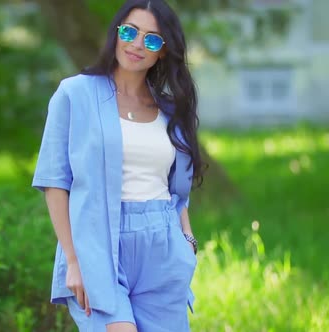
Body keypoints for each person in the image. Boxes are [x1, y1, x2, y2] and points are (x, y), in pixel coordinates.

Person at [32, 0, 205, 330]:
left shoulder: (170, 110)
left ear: (163, 52)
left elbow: (175, 188)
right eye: (130, 31)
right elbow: (55, 183)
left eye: (152, 39)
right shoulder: (75, 94)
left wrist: (187, 239)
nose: (138, 44)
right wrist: (72, 260)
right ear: (116, 34)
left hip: (163, 247)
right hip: (97, 245)